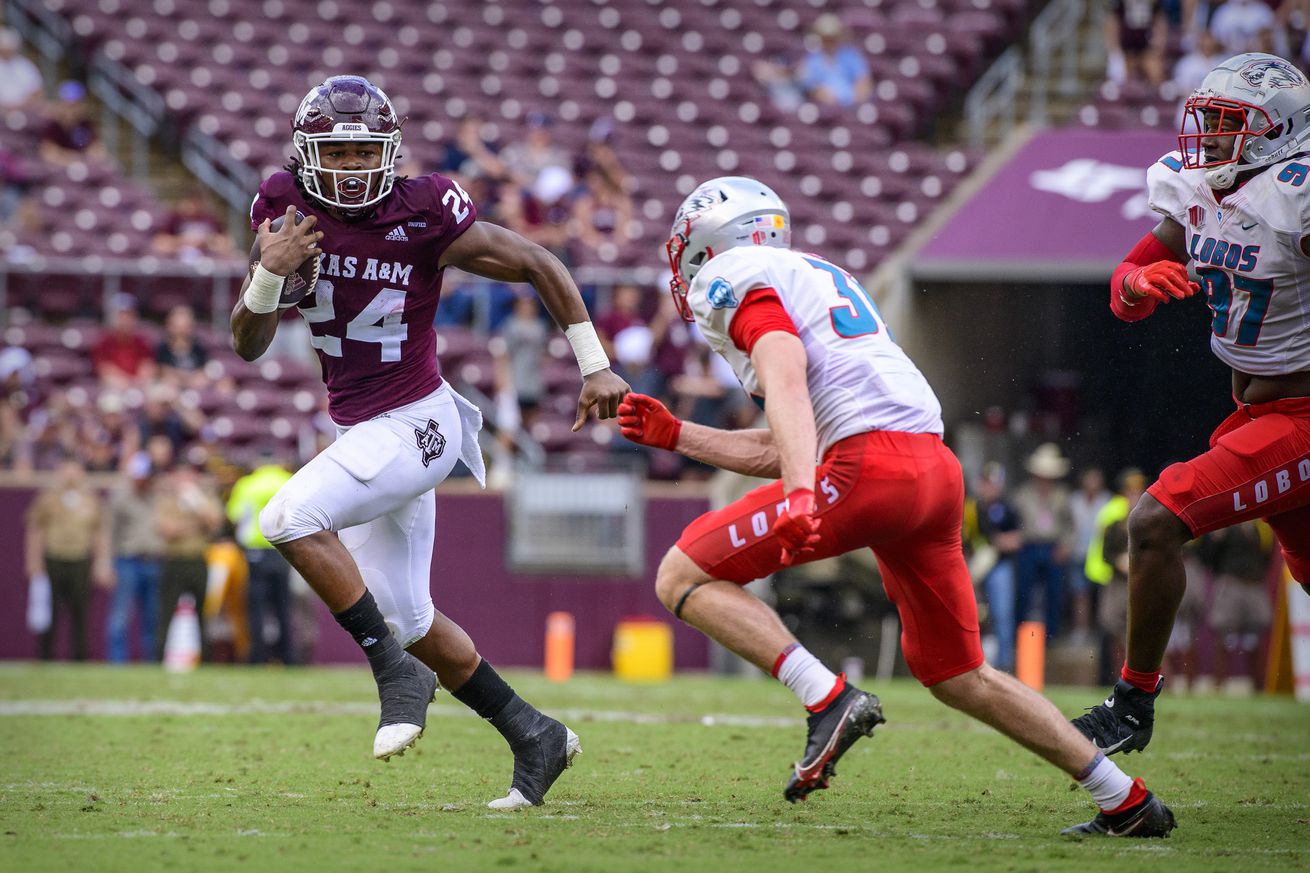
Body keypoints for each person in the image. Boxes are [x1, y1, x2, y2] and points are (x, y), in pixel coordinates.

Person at [620, 176, 1175, 835]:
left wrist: (802, 492)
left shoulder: (735, 273)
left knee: (681, 574)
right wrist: (679, 435)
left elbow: (787, 370)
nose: (683, 270)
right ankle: (1125, 798)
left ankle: (827, 696)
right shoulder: (818, 277)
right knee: (957, 671)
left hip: (870, 468)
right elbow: (800, 433)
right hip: (932, 472)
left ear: (716, 242)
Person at [230, 76, 628, 808]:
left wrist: (595, 362)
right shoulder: (284, 207)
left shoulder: (424, 209)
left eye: (362, 152)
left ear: (388, 153)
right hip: (364, 428)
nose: (350, 167)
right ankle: (534, 732)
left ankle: (393, 672)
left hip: (421, 419)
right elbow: (248, 343)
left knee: (286, 518)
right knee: (411, 619)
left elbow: (542, 262)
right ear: (309, 154)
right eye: (337, 152)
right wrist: (266, 276)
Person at [1076, 53, 1310, 757]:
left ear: (1279, 133)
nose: (1206, 137)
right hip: (1254, 413)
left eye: (1228, 123)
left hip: (1300, 416)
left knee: (1156, 519)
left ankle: (1131, 703)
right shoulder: (1202, 188)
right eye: (1207, 120)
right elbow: (1123, 283)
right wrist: (1140, 282)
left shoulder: (1295, 197)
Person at [24, 456, 111, 660]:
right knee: (49, 611)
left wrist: (102, 562)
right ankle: (46, 656)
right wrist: (33, 561)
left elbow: (99, 533)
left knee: (81, 612)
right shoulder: (47, 498)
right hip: (54, 558)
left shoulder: (92, 499)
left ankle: (79, 657)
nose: (71, 473)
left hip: (80, 559)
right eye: (67, 469)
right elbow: (35, 529)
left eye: (75, 468)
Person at [227, 454, 295, 664]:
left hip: (255, 550)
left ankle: (256, 656)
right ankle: (287, 657)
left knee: (256, 607)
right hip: (285, 548)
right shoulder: (289, 479)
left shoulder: (247, 484)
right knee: (283, 605)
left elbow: (235, 515)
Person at [154, 464, 222, 661]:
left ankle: (205, 659)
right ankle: (158, 658)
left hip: (198, 560)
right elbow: (167, 530)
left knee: (203, 613)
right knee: (166, 612)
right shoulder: (167, 499)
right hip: (174, 560)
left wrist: (197, 504)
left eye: (188, 475)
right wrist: (194, 525)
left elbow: (215, 522)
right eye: (180, 475)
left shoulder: (203, 498)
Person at [1012, 444, 1075, 640]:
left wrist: (1066, 546)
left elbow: (1070, 525)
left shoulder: (1062, 495)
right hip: (1029, 546)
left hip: (1052, 547)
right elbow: (1014, 522)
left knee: (1054, 593)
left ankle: (1051, 636)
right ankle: (1019, 632)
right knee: (1023, 591)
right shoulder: (1022, 495)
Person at [105, 451, 163, 663]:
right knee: (121, 615)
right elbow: (110, 533)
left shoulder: (158, 495)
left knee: (152, 616)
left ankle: (151, 661)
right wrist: (107, 564)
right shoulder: (120, 497)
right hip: (127, 560)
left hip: (154, 561)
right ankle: (117, 661)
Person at [797, 14, 872, 108]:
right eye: (826, 37)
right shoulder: (812, 60)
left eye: (832, 37)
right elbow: (810, 86)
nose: (829, 40)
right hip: (825, 108)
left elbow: (863, 81)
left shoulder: (851, 56)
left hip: (853, 106)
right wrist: (822, 96)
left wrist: (857, 101)